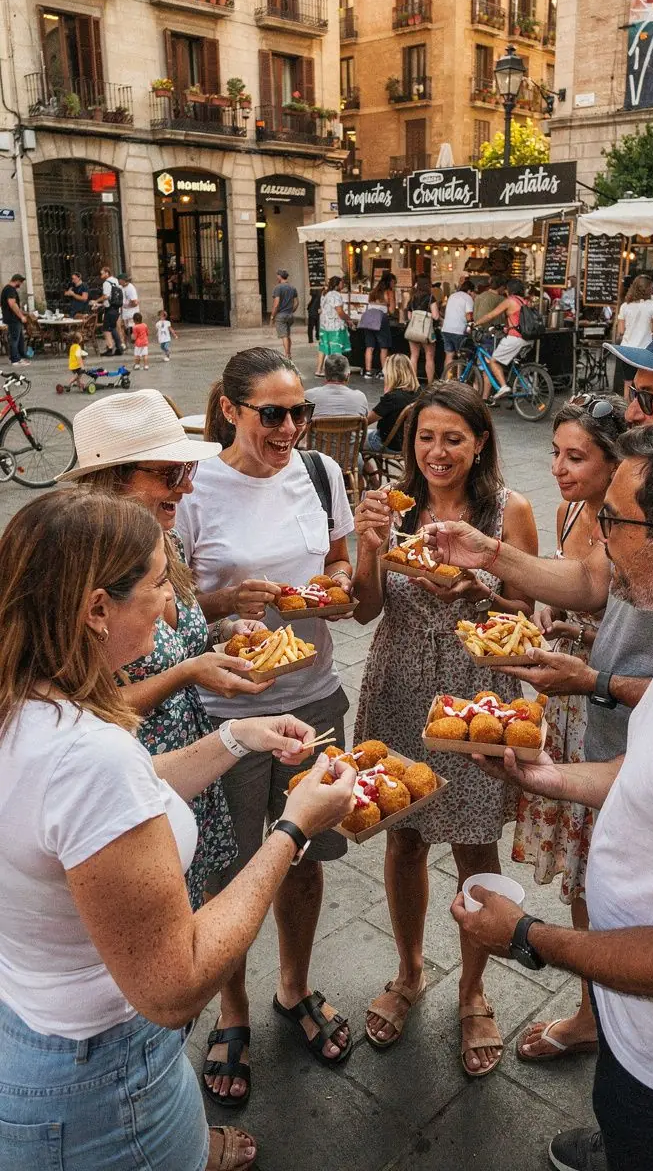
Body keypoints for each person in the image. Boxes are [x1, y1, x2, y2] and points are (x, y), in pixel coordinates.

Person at [423, 311, 653, 1137]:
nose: (630, 411)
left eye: (616, 525)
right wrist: (549, 777)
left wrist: (527, 935)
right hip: (647, 1029)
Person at [0, 486, 355, 1171]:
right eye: (159, 586)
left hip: (38, 1031)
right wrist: (292, 827)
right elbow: (175, 983)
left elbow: (110, 807)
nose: (171, 605)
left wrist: (233, 741)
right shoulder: (88, 755)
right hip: (104, 1079)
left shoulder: (30, 702)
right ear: (96, 609)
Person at [176, 346, 357, 1102]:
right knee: (228, 873)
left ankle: (292, 987)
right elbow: (167, 611)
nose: (290, 428)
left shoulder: (322, 474)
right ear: (230, 408)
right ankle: (234, 1012)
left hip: (312, 694)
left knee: (305, 858)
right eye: (272, 415)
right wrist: (224, 606)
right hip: (229, 713)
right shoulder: (191, 488)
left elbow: (342, 567)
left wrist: (329, 593)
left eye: (300, 413)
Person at [352, 382, 539, 1076]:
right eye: (425, 438)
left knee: (474, 845)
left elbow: (525, 610)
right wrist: (369, 546)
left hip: (475, 692)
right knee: (400, 836)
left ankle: (473, 991)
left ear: (480, 441)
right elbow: (367, 609)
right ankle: (408, 971)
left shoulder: (507, 510)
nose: (437, 452)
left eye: (453, 438)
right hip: (399, 683)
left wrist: (476, 588)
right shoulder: (389, 511)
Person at [63, 386, 282, 914]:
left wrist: (225, 630)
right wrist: (187, 672)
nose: (186, 487)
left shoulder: (166, 541)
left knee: (201, 898)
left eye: (186, 471)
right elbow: (81, 713)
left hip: (189, 765)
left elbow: (180, 631)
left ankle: (232, 1003)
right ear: (113, 480)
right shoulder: (76, 575)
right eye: (168, 474)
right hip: (130, 779)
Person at [511, 392, 628, 1063]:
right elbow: (576, 592)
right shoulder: (572, 509)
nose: (558, 467)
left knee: (609, 866)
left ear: (617, 463)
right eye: (555, 452)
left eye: (575, 456)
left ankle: (613, 1014)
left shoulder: (631, 519)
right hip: (566, 695)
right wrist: (556, 620)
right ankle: (593, 1012)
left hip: (606, 704)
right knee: (583, 875)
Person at [474, 276, 531, 402]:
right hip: (527, 338)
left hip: (515, 338)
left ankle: (504, 387)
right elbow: (519, 321)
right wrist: (507, 328)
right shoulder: (524, 301)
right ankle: (524, 384)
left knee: (493, 361)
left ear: (509, 289)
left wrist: (476, 323)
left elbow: (491, 315)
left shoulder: (510, 301)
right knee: (510, 362)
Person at [364, 352, 419, 454]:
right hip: (409, 444)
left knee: (353, 440)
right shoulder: (418, 393)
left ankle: (369, 469)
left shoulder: (393, 398)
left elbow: (365, 421)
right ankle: (371, 469)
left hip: (389, 444)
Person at [306, 353, 369, 418]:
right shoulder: (360, 398)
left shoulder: (309, 397)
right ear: (348, 376)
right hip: (350, 428)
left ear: (325, 373)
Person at [406, 275, 440, 386]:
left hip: (413, 330)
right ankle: (430, 383)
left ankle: (413, 382)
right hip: (426, 331)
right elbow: (435, 316)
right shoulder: (431, 298)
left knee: (413, 356)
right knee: (429, 356)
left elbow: (409, 316)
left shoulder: (412, 298)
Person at [317, 276, 352, 376]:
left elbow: (322, 309)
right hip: (335, 326)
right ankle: (335, 372)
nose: (343, 285)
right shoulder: (336, 295)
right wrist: (348, 319)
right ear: (337, 284)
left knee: (323, 347)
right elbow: (339, 311)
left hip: (324, 325)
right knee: (336, 348)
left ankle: (319, 370)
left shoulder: (325, 293)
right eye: (342, 283)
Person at [440, 277, 475, 372]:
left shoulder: (452, 295)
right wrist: (471, 325)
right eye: (473, 293)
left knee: (449, 355)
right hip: (458, 331)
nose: (473, 295)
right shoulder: (468, 298)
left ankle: (446, 380)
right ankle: (460, 381)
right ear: (469, 291)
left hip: (446, 329)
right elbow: (469, 315)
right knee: (461, 356)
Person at [359, 283, 392, 379]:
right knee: (383, 347)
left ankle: (368, 371)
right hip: (381, 319)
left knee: (369, 347)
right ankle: (383, 372)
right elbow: (392, 310)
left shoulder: (372, 294)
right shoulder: (387, 294)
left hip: (369, 319)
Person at [94, 265, 123, 356]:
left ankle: (110, 348)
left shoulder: (106, 283)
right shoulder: (115, 281)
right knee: (113, 328)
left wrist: (96, 301)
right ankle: (119, 347)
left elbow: (106, 296)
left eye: (102, 273)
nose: (101, 275)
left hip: (109, 309)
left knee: (106, 329)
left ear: (107, 273)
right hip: (116, 308)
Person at [269, 270, 298, 358]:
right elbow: (296, 302)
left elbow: (276, 303)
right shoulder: (292, 288)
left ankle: (287, 354)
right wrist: (291, 311)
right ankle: (289, 352)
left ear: (279, 276)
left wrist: (272, 316)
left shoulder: (278, 288)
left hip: (281, 315)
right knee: (288, 335)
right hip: (290, 315)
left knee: (284, 335)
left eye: (277, 276)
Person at [1, 273, 26, 365]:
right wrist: (21, 316)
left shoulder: (8, 289)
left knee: (19, 339)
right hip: (13, 318)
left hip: (12, 318)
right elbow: (12, 304)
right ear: (17, 281)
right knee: (14, 339)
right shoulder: (10, 289)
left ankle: (19, 357)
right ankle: (15, 359)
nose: (20, 285)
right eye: (21, 282)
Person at [119, 271, 139, 343]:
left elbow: (135, 303)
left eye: (120, 280)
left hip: (131, 312)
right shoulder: (121, 287)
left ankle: (136, 342)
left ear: (123, 280)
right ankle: (129, 342)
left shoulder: (131, 288)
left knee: (132, 328)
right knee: (126, 327)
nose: (118, 281)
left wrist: (126, 306)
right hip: (126, 312)